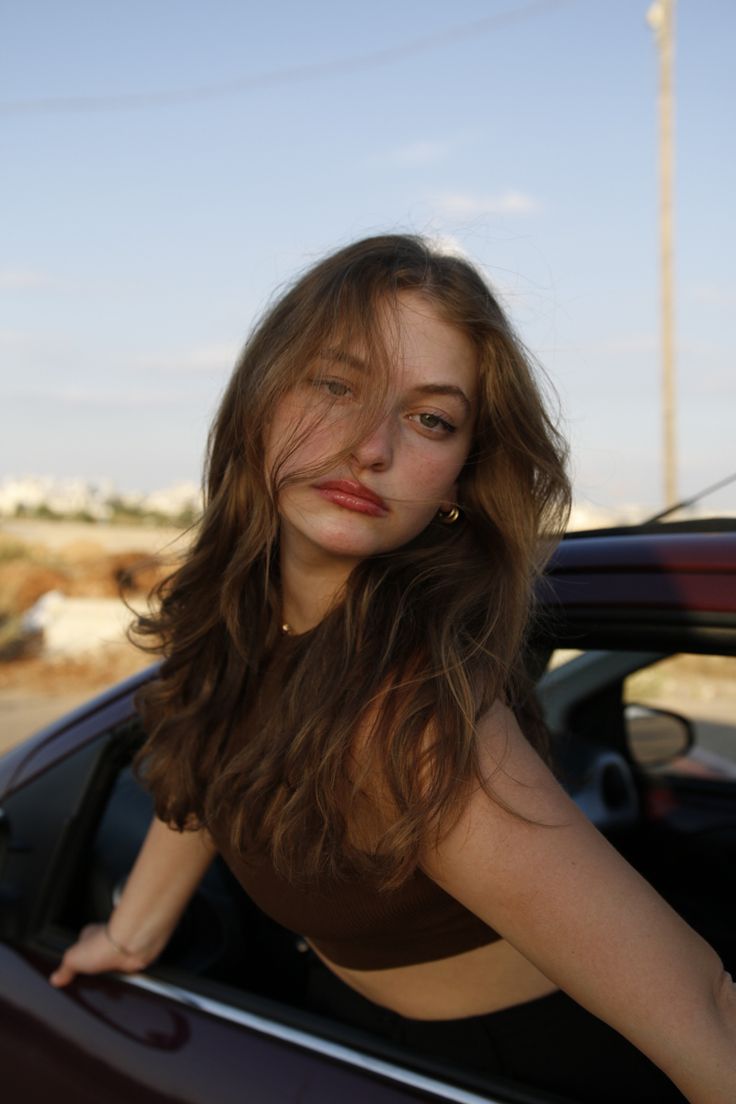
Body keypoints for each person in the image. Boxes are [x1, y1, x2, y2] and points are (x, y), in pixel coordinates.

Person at [49, 235, 735, 1102]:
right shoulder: (242, 622)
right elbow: (216, 757)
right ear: (263, 397)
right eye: (336, 385)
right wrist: (134, 936)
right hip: (337, 1016)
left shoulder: (407, 718)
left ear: (458, 478)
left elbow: (708, 1014)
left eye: (430, 419)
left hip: (508, 1061)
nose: (369, 447)